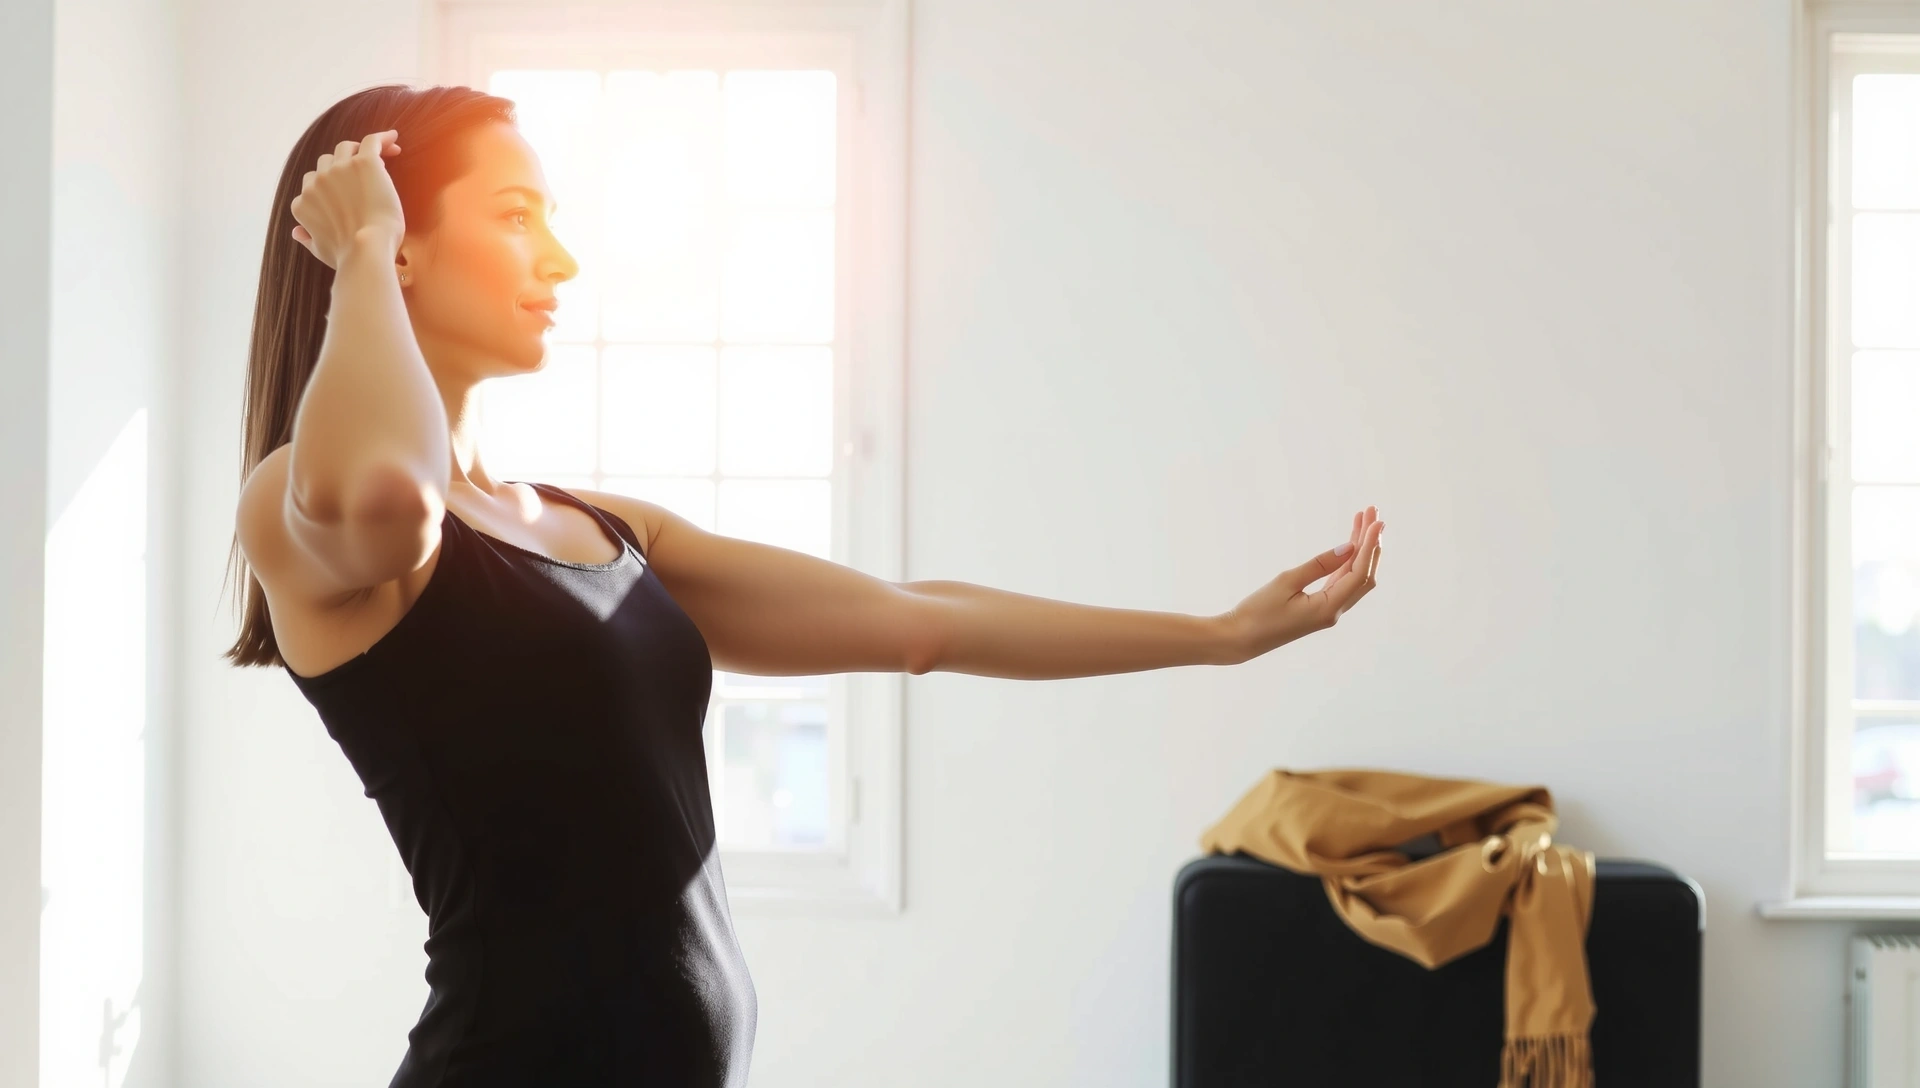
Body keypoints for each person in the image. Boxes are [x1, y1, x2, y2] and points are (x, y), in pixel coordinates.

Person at [223, 82, 1384, 1088]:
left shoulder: (600, 526)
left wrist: (1220, 634)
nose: (560, 259)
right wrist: (361, 254)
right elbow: (386, 497)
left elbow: (920, 621)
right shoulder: (300, 507)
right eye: (516, 216)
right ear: (399, 243)